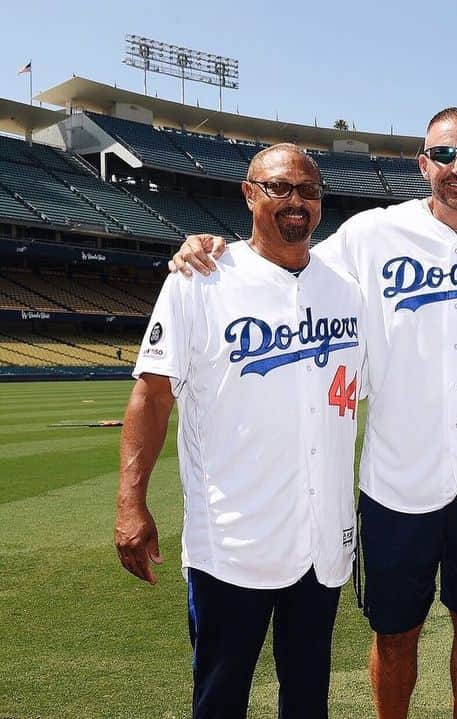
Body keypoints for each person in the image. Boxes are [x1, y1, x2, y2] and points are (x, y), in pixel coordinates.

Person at [169, 108, 457, 719]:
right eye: (447, 155)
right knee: (394, 631)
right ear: (423, 163)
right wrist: (210, 246)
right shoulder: (369, 235)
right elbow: (285, 256)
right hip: (398, 478)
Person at [114, 143, 366, 719]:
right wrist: (131, 503)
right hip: (232, 544)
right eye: (280, 187)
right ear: (250, 194)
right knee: (220, 700)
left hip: (320, 543)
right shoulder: (200, 278)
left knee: (307, 701)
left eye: (308, 190)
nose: (296, 201)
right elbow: (152, 395)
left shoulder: (345, 290)